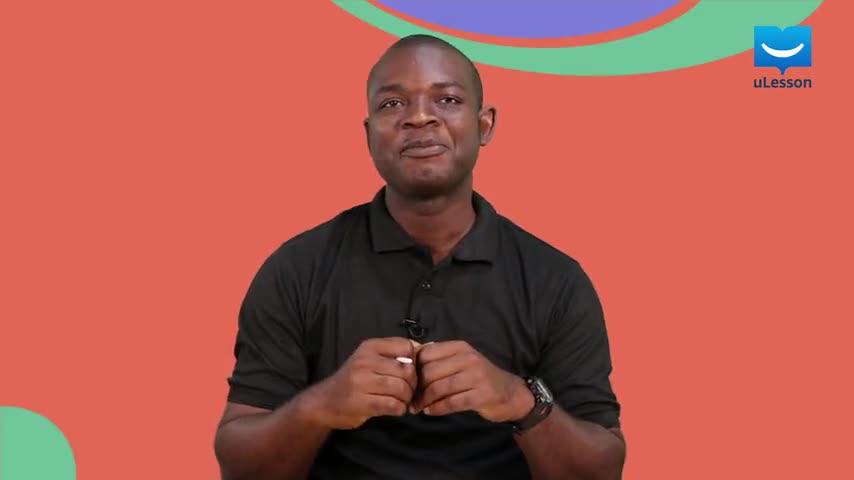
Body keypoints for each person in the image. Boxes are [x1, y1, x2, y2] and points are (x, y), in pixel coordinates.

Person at [214, 34, 626, 480]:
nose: (420, 117)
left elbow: (601, 470)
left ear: (485, 125)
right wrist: (322, 404)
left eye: (447, 99)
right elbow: (240, 467)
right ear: (369, 134)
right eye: (393, 104)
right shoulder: (296, 269)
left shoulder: (557, 281)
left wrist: (518, 400)